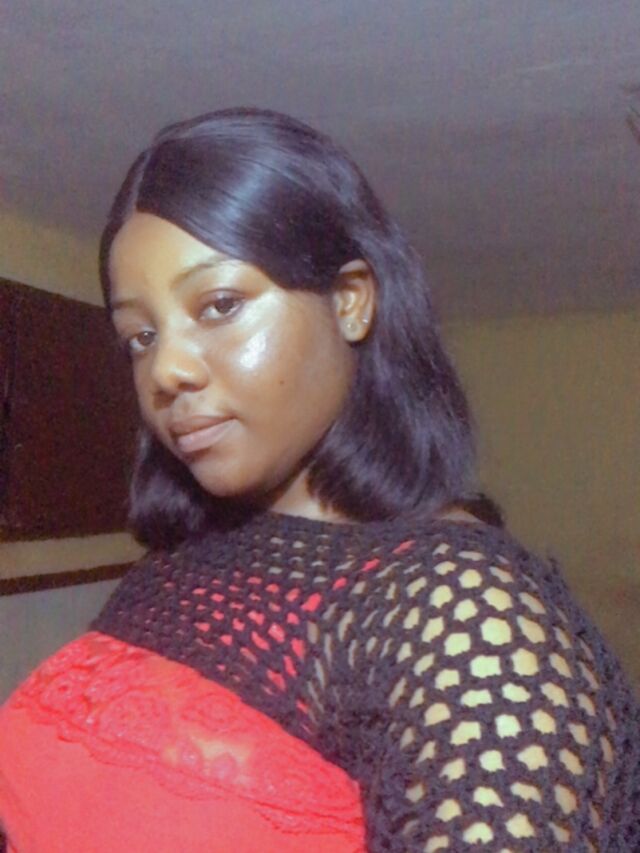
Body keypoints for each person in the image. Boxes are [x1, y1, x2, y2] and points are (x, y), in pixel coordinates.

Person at [0, 108, 638, 853]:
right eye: (140, 337)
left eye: (220, 306)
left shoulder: (465, 613)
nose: (166, 369)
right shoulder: (171, 569)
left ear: (350, 301)